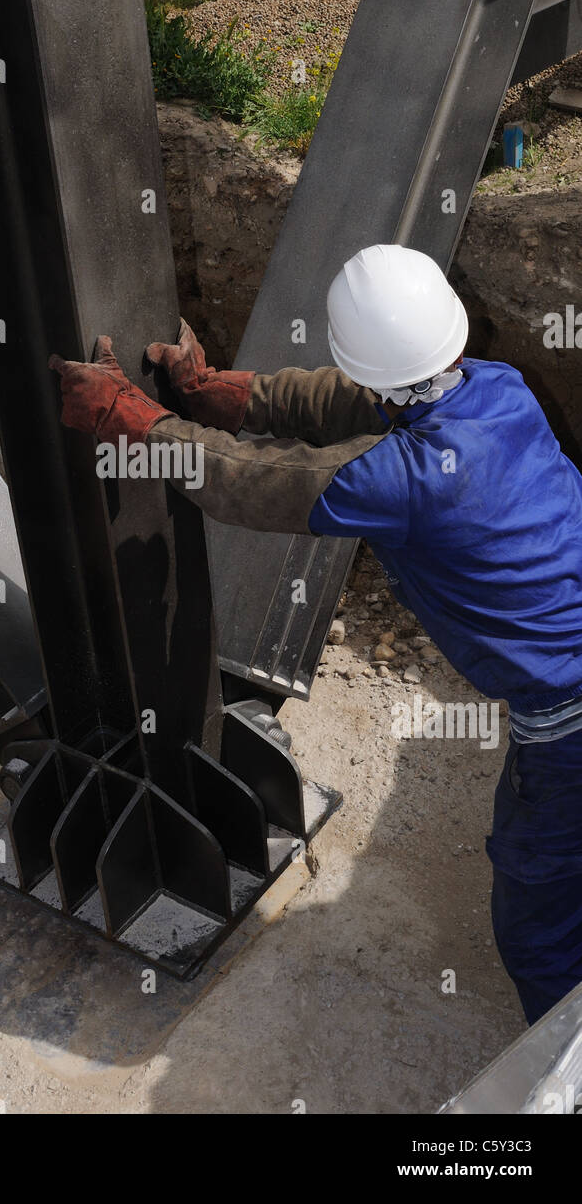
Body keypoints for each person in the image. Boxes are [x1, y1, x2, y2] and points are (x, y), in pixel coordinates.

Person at [49, 243, 582, 1025]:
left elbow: (252, 483)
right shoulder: (498, 390)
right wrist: (221, 393)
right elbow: (347, 400)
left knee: (539, 915)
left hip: (568, 724)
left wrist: (137, 420)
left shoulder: (397, 480)